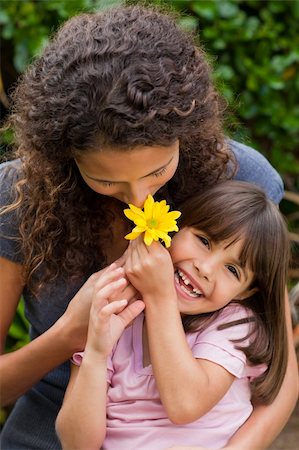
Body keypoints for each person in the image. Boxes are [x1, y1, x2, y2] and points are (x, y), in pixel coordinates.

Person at [0, 5, 297, 450]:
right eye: (105, 180)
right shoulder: (20, 194)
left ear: (185, 131)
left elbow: (280, 376)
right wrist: (70, 335)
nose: (140, 202)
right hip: (58, 419)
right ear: (65, 156)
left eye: (158, 171)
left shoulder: (240, 179)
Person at [56, 181, 290, 450]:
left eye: (233, 270)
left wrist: (159, 296)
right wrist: (96, 354)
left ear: (245, 292)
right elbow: (76, 444)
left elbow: (185, 404)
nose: (206, 269)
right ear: (171, 229)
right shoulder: (115, 313)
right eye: (204, 241)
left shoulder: (234, 324)